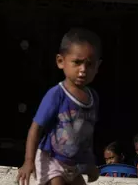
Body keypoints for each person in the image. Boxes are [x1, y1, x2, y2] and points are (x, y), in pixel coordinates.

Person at [17, 28, 102, 185]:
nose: (83, 70)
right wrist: (28, 161)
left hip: (73, 164)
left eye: (89, 64)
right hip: (51, 160)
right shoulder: (57, 94)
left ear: (98, 66)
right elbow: (36, 128)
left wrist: (90, 163)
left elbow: (86, 135)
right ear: (60, 61)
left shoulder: (93, 98)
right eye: (77, 62)